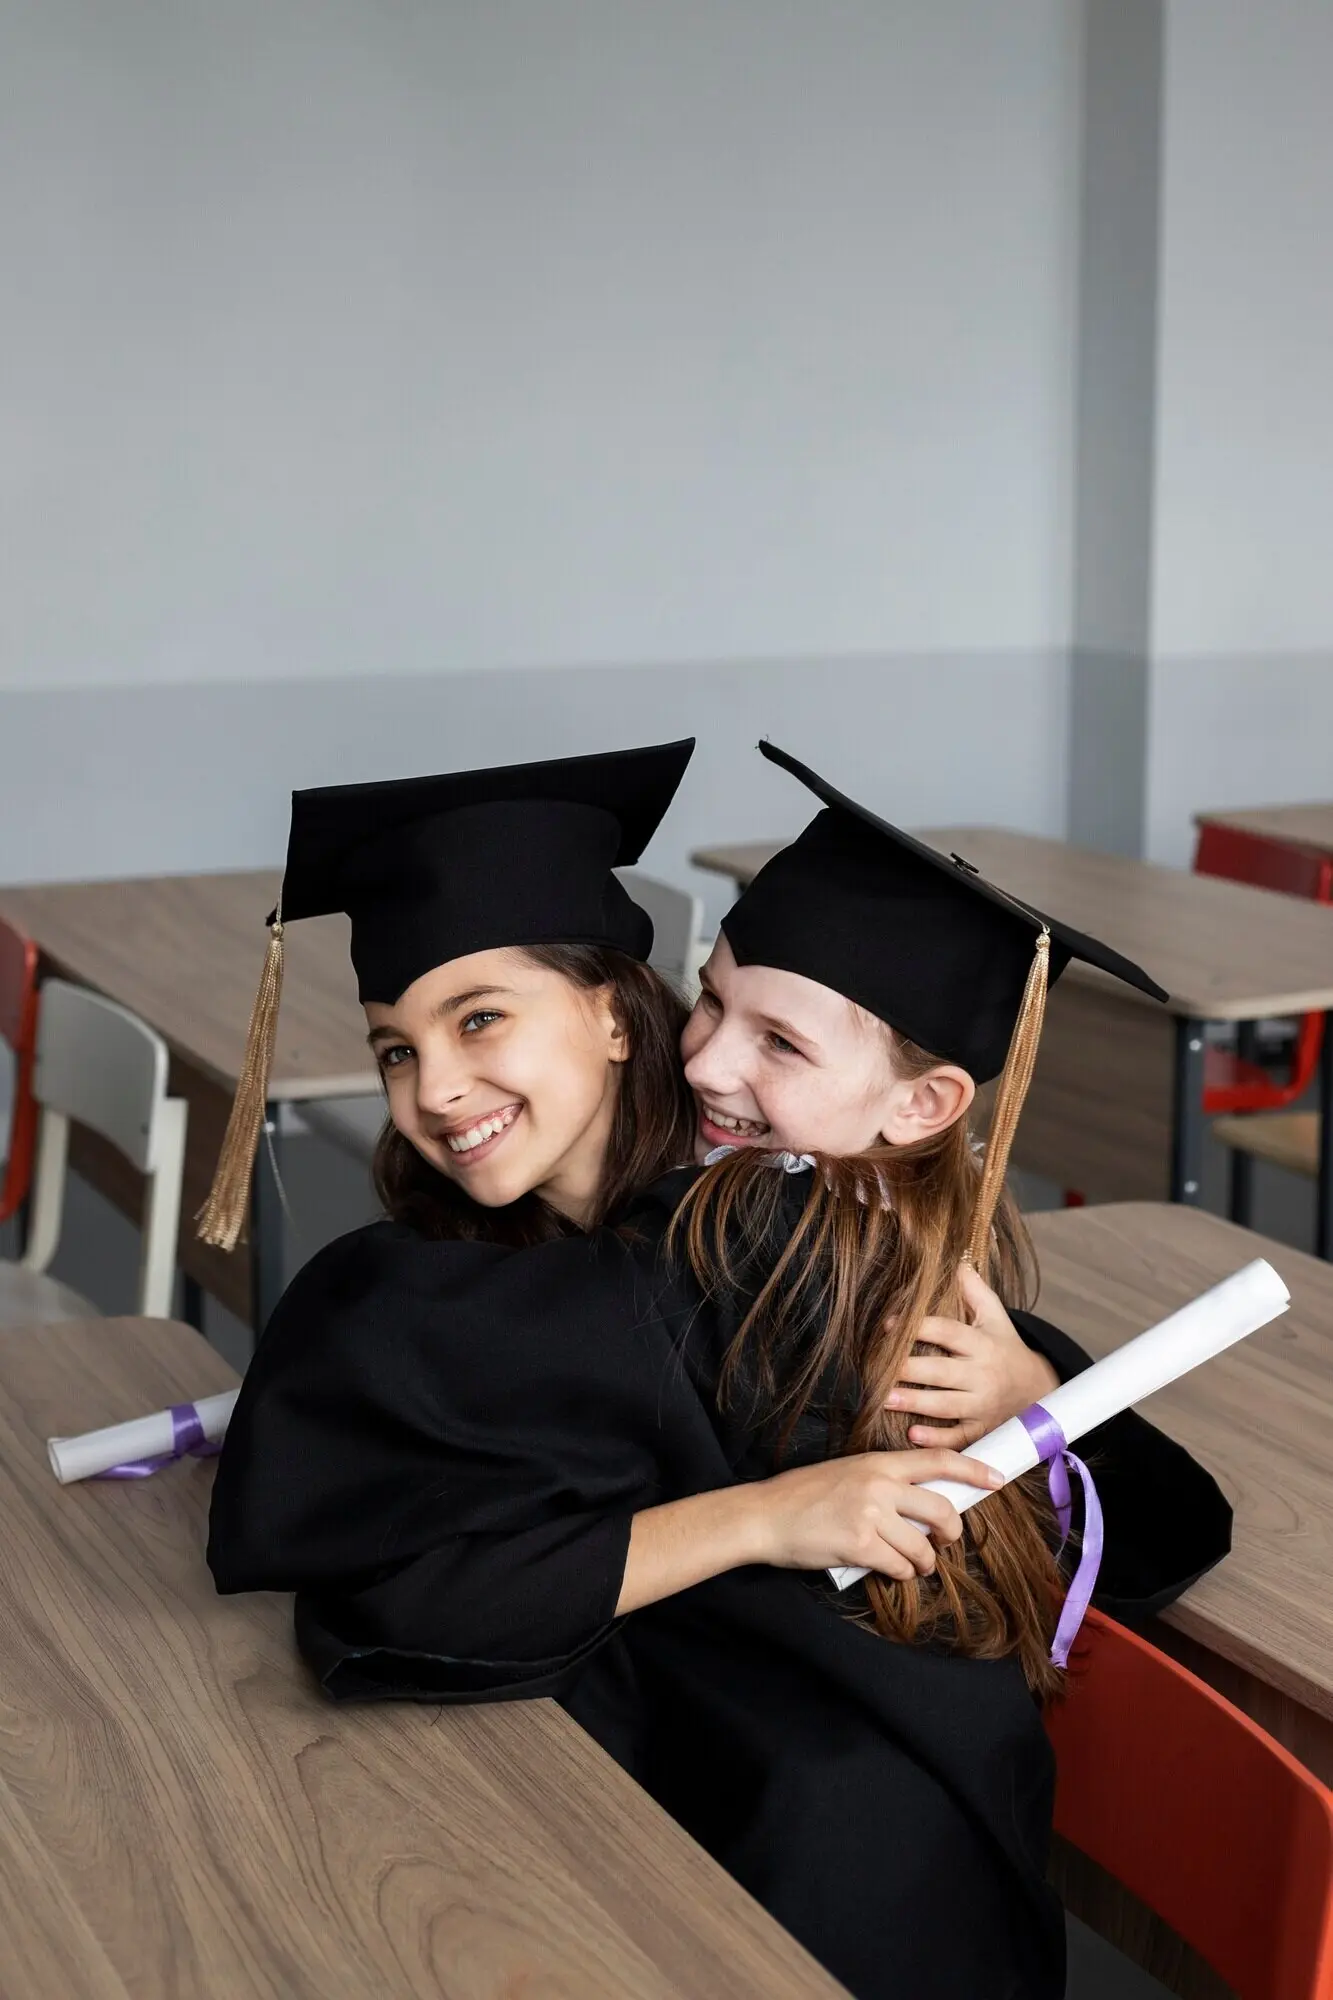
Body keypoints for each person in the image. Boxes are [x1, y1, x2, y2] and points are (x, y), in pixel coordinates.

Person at [210, 741, 1231, 2000]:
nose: (705, 1061)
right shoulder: (670, 1250)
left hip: (831, 1896)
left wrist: (1032, 1397)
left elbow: (1174, 1528)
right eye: (709, 1001)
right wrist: (761, 1518)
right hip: (678, 1831)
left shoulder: (805, 1280)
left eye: (778, 1045)